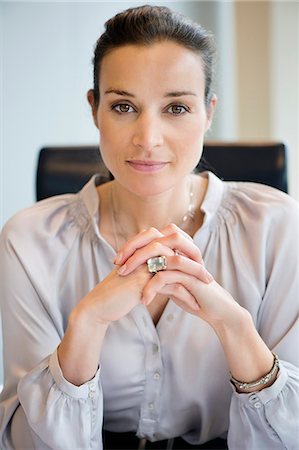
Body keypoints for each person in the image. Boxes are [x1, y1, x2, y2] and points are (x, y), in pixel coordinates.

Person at [0, 4, 298, 450]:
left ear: (209, 112)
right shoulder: (28, 240)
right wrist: (87, 322)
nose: (148, 138)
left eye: (176, 107)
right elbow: (25, 443)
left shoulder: (278, 227)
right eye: (123, 106)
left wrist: (235, 327)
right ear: (95, 109)